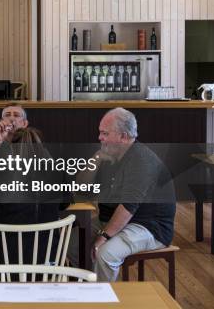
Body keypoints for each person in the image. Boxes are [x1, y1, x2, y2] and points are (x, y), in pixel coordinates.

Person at [73, 107, 176, 281]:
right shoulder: (109, 154)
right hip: (114, 219)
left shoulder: (141, 160)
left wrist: (103, 237)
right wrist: (96, 159)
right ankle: (91, 285)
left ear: (124, 137)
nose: (100, 138)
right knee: (72, 243)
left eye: (105, 133)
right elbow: (80, 188)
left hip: (147, 226)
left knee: (105, 253)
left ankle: (103, 301)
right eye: (100, 132)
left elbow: (128, 207)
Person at [0, 127, 68, 266]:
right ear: (42, 149)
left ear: (11, 149)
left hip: (5, 262)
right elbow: (64, 204)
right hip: (48, 260)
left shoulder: (2, 174)